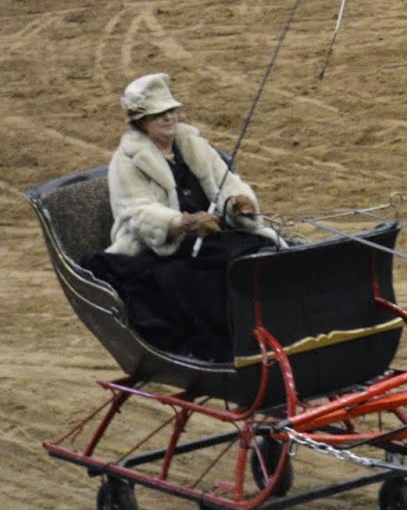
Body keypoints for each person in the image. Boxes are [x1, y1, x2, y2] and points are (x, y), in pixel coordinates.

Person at [83, 74, 282, 362]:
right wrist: (183, 223)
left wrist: (238, 203)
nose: (169, 118)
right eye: (159, 114)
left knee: (262, 254)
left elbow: (227, 182)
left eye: (171, 110)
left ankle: (272, 329)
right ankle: (224, 350)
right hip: (162, 251)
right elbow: (137, 212)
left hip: (212, 240)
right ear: (140, 121)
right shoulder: (126, 161)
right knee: (184, 280)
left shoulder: (194, 145)